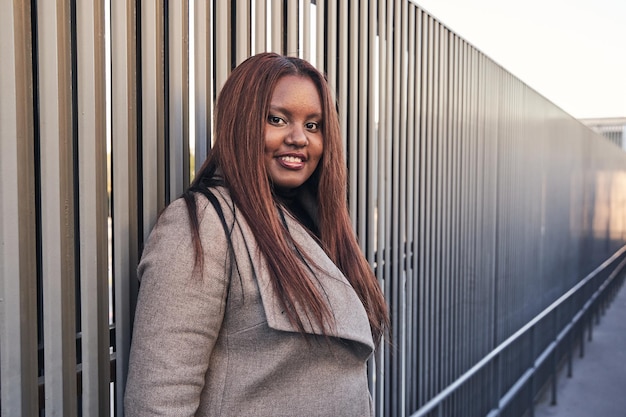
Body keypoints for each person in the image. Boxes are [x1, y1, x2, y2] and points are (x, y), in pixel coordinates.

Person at [124, 52, 389, 417]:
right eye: (277, 119)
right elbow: (158, 402)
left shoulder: (316, 223)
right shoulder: (201, 225)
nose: (299, 138)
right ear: (241, 123)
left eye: (313, 125)